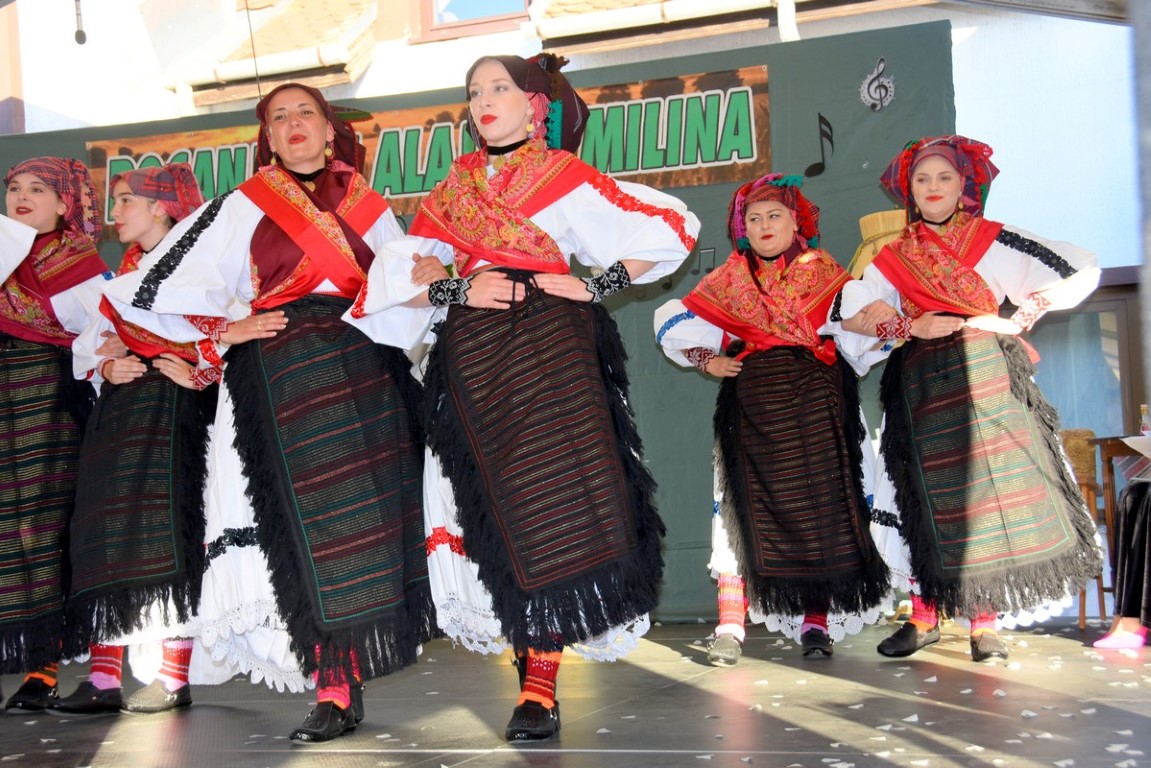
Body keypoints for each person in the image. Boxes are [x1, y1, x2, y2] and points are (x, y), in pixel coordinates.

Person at [347, 53, 699, 741]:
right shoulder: (449, 193)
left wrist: (597, 283)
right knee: (496, 509)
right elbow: (400, 285)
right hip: (473, 356)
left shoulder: (564, 175)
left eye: (499, 88)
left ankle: (540, 683)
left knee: (555, 501)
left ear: (535, 105)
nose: (484, 100)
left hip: (550, 349)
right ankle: (527, 659)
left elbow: (670, 226)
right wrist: (457, 286)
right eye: (474, 90)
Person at [101, 82, 434, 742]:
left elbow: (403, 295)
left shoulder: (370, 206)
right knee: (298, 528)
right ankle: (331, 685)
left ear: (329, 130)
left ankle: (347, 673)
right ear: (269, 138)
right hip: (277, 374)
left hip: (363, 367)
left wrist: (422, 278)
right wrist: (221, 331)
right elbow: (152, 286)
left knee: (360, 526)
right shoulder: (242, 205)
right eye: (278, 117)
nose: (292, 123)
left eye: (304, 112)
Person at [837, 135, 1104, 662]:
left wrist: (1013, 320)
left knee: (987, 496)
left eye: (944, 177)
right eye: (922, 179)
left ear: (964, 184)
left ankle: (984, 623)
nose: (933, 187)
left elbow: (1077, 269)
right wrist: (910, 325)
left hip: (987, 378)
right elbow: (851, 317)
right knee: (920, 495)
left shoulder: (994, 239)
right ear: (909, 191)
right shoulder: (892, 257)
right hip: (920, 385)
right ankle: (924, 616)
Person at [654, 173, 890, 661]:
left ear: (795, 222)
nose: (764, 225)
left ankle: (816, 623)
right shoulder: (729, 280)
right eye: (755, 218)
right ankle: (730, 626)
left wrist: (889, 321)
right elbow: (682, 324)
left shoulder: (823, 272)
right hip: (755, 407)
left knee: (820, 509)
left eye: (775, 215)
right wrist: (707, 359)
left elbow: (860, 327)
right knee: (741, 506)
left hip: (818, 405)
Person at [56, 163, 219, 715]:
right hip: (121, 412)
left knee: (170, 533)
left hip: (177, 411)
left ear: (161, 207)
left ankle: (174, 676)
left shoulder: (201, 268)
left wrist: (195, 364)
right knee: (106, 532)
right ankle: (103, 678)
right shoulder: (124, 271)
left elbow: (230, 330)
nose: (116, 211)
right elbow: (90, 345)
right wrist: (107, 364)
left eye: (127, 199)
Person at [1, 157, 110, 710]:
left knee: (41, 530)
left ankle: (44, 666)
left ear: (65, 203)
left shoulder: (81, 264)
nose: (21, 197)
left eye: (38, 189)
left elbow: (107, 335)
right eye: (14, 188)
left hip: (49, 407)